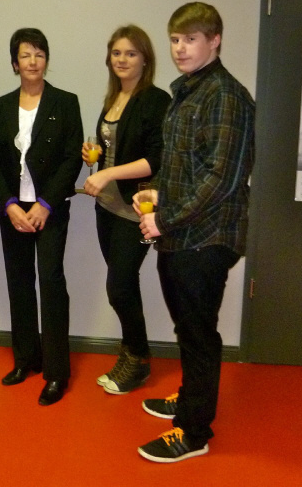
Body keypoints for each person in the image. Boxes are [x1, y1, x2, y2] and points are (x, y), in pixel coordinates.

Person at [135, 2, 255, 463]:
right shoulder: (189, 90)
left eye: (190, 39)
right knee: (187, 328)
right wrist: (157, 195)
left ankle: (193, 431)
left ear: (215, 40)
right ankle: (190, 400)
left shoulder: (225, 96)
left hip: (206, 239)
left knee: (199, 333)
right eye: (175, 39)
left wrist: (163, 219)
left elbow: (220, 179)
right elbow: (186, 166)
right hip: (182, 235)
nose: (180, 48)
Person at [0, 28, 83, 406]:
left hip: (49, 209)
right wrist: (9, 205)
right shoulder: (1, 106)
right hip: (14, 209)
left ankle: (56, 372)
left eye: (39, 54)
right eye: (25, 55)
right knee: (19, 283)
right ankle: (26, 359)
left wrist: (46, 204)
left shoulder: (65, 102)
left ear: (46, 60)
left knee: (52, 283)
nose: (33, 61)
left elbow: (72, 158)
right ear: (15, 63)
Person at [82, 25, 171, 395]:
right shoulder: (114, 96)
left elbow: (155, 158)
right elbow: (115, 147)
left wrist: (108, 173)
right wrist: (95, 158)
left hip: (137, 210)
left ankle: (138, 359)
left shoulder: (156, 100)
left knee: (119, 286)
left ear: (145, 59)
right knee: (123, 284)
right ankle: (131, 352)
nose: (122, 59)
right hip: (106, 206)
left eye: (131, 53)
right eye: (116, 53)